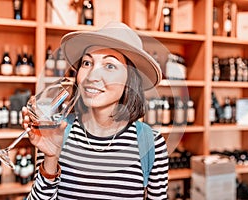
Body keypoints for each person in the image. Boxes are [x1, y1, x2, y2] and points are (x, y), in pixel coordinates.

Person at [23, 21, 169, 200]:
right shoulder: (58, 131)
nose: (92, 76)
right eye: (86, 62)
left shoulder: (150, 143)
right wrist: (51, 158)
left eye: (109, 66)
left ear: (129, 81)